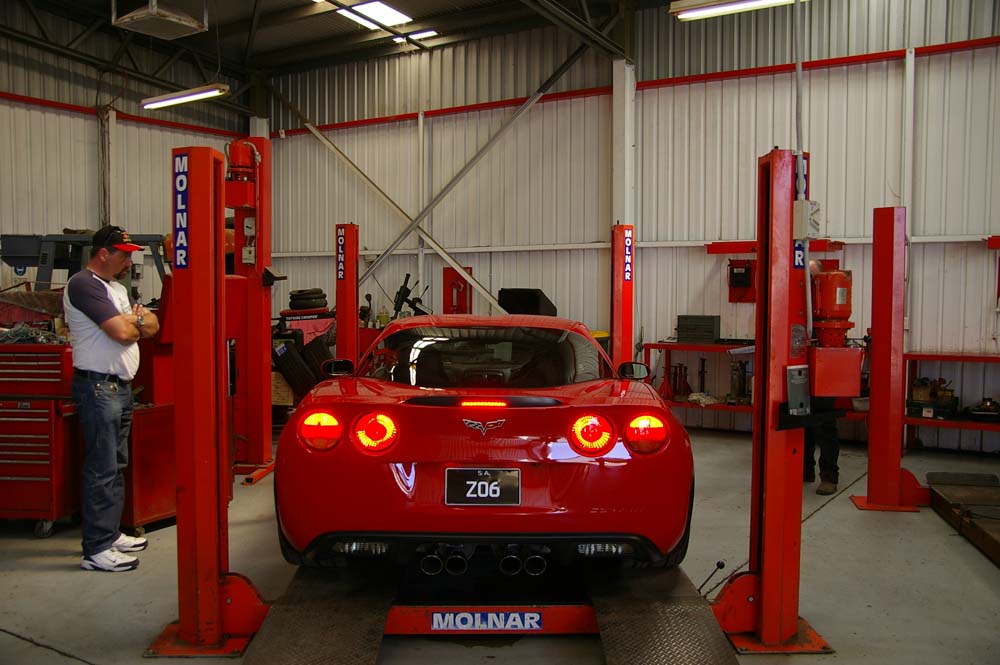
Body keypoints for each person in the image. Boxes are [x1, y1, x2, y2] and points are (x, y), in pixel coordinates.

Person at [63, 225, 159, 572]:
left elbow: (153, 325)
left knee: (116, 464)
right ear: (103, 253)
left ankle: (110, 532)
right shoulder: (83, 284)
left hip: (119, 388)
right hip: (98, 389)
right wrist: (135, 320)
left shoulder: (116, 289)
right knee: (101, 468)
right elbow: (121, 332)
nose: (128, 262)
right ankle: (97, 548)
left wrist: (135, 319)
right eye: (123, 255)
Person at [804, 259, 840, 495]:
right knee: (800, 422)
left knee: (825, 424)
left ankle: (829, 476)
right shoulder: (797, 304)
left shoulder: (827, 310)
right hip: (799, 368)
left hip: (825, 367)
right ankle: (803, 469)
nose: (808, 284)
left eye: (812, 279)